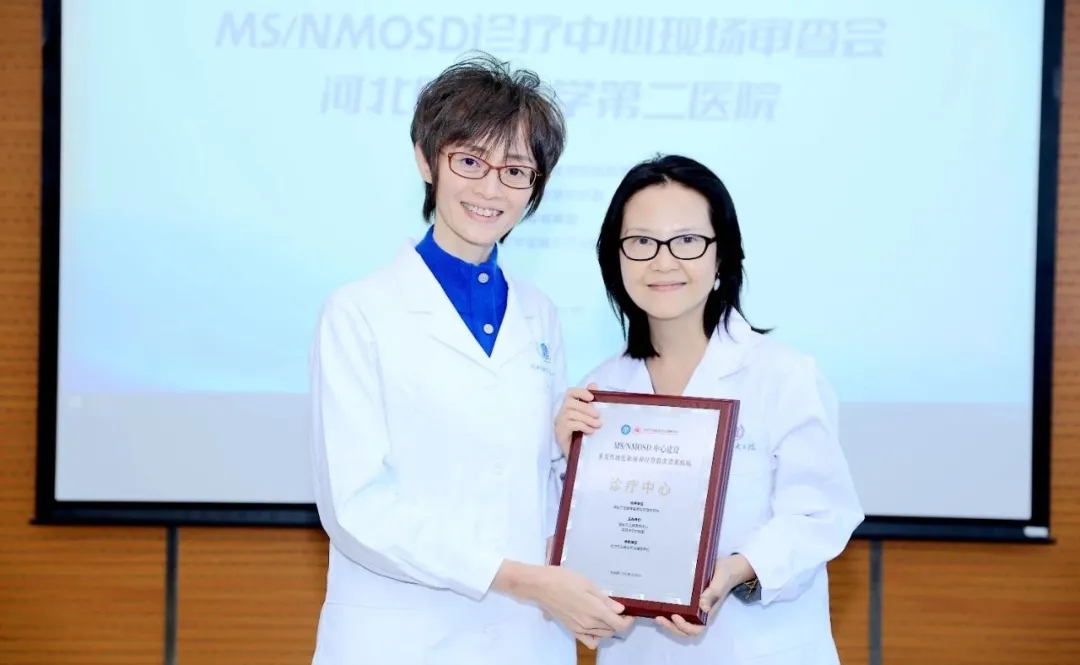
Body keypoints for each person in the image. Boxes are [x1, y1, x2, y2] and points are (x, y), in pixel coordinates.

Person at [307, 53, 632, 665]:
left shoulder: (538, 313)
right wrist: (518, 579)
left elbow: (533, 486)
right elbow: (357, 509)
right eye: (470, 161)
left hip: (525, 640)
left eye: (516, 170)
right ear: (426, 159)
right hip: (401, 640)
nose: (490, 189)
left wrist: (565, 451)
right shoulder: (358, 313)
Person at [555, 154, 865, 664]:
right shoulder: (598, 391)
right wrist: (566, 459)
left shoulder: (782, 376)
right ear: (616, 258)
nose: (663, 261)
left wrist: (738, 570)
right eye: (641, 242)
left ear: (722, 256)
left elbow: (821, 515)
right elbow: (573, 543)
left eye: (687, 241)